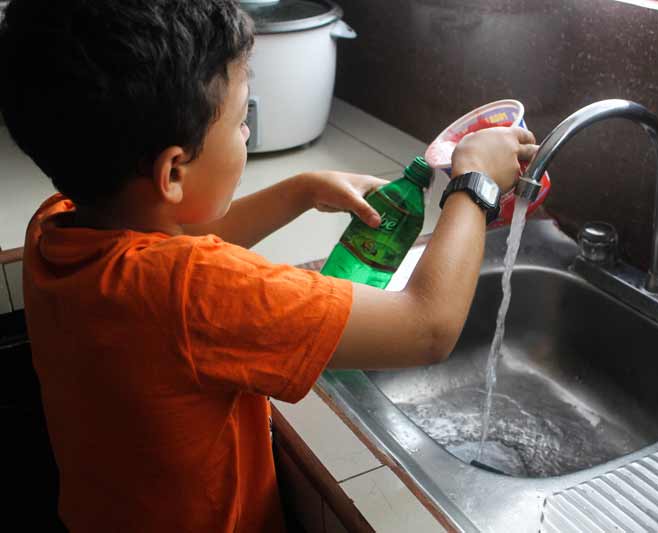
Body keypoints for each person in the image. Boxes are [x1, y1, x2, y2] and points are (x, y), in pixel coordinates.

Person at [0, 1, 537, 531]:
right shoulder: (195, 292)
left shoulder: (57, 223)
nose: (248, 133)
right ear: (173, 172)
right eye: (240, 121)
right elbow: (427, 328)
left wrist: (301, 190)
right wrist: (475, 184)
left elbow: (171, 242)